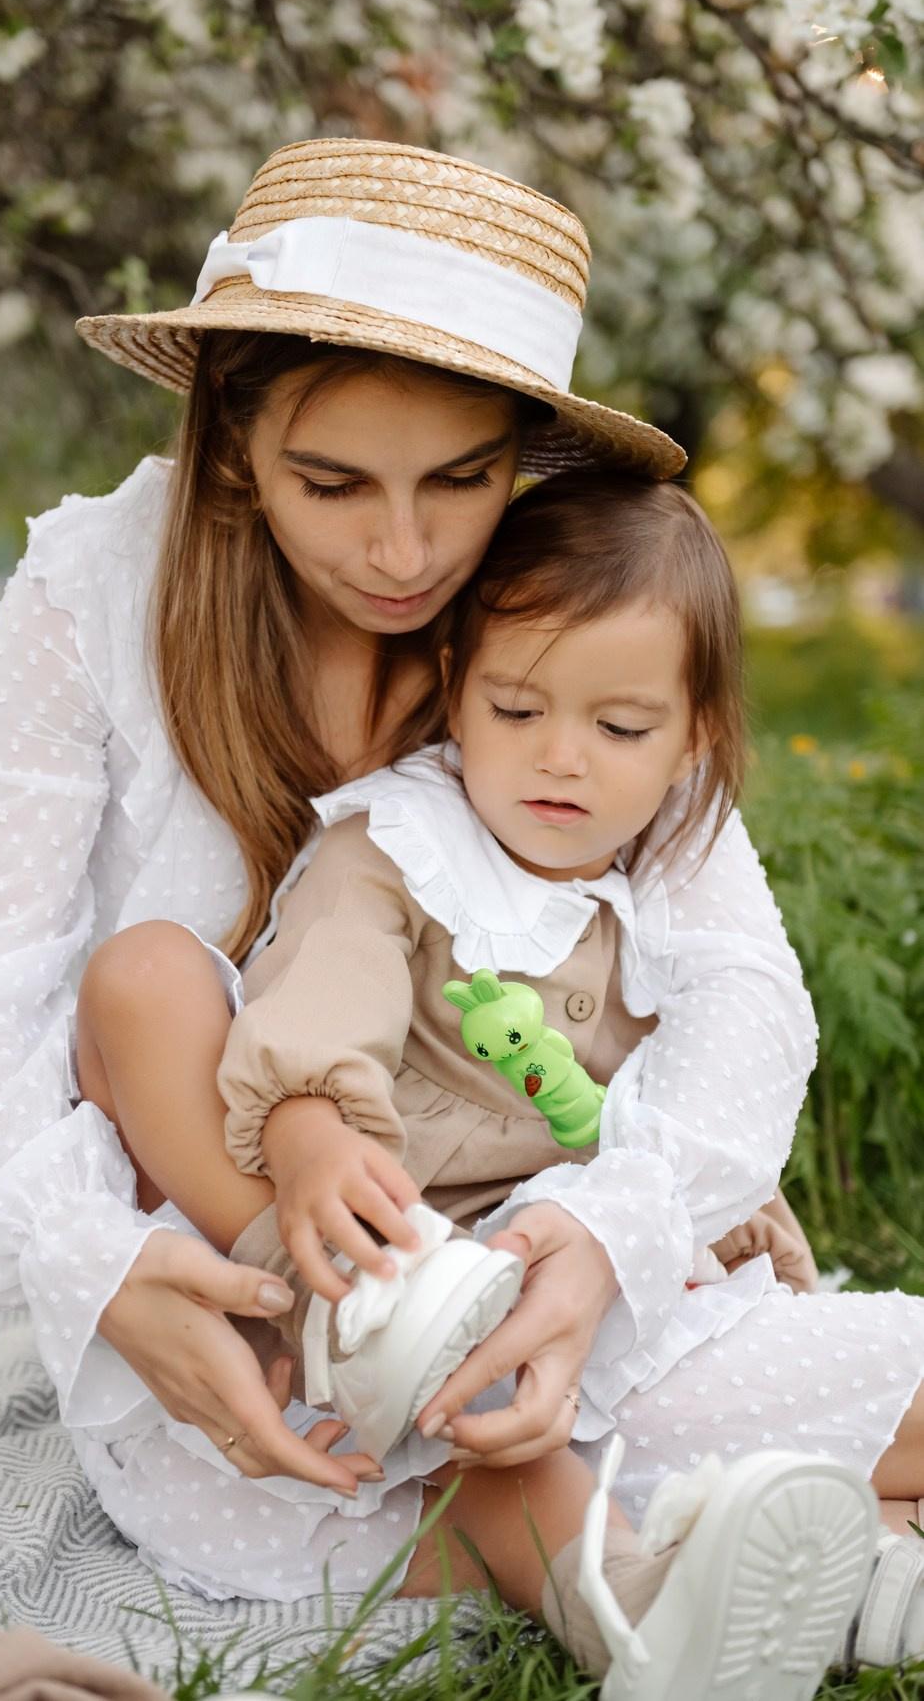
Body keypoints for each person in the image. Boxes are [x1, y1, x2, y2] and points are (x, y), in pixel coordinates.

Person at [0, 140, 924, 1674]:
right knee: (156, 984)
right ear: (234, 439)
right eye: (333, 484)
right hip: (245, 1311)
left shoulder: (560, 606)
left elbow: (742, 992)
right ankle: (654, 1559)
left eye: (461, 480)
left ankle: (775, 1569)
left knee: (846, 1385)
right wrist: (95, 1270)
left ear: (521, 453)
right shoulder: (93, 592)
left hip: (541, 1256)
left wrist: (618, 1224)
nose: (404, 550)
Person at [68, 472, 912, 1690]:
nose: (560, 758)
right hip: (381, 1321)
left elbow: (697, 1075)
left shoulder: (659, 883)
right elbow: (326, 988)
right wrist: (310, 1130)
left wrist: (704, 1200)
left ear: (693, 740)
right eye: (516, 708)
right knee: (502, 1463)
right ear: (455, 688)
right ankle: (638, 1619)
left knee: (872, 1372)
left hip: (586, 1315)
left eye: (620, 730)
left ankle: (857, 1571)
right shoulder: (401, 846)